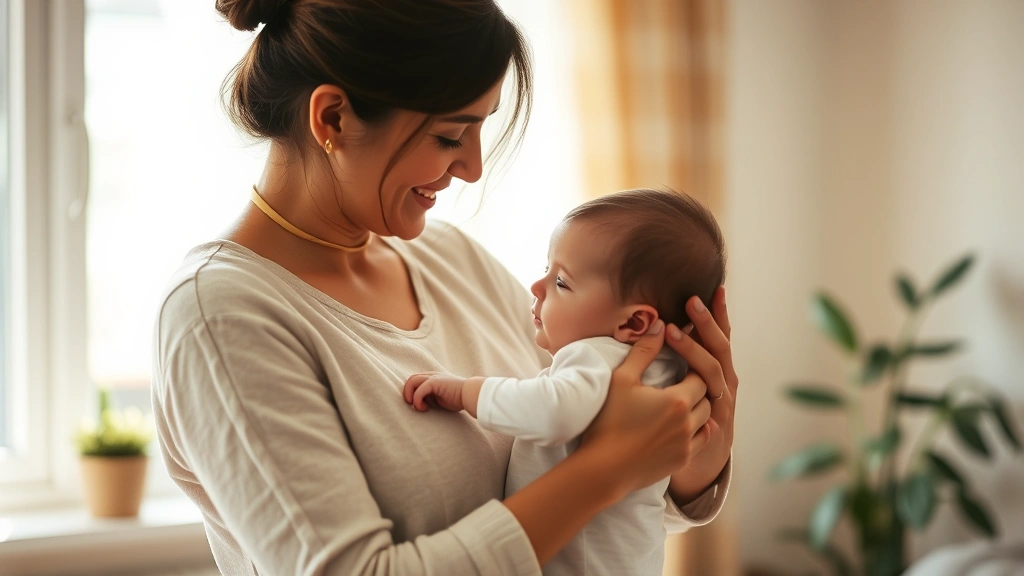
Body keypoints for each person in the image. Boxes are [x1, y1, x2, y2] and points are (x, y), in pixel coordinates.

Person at [151, 1, 739, 574]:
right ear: (332, 119)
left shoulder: (450, 257)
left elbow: (600, 515)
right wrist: (606, 471)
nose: (473, 167)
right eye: (450, 137)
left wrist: (693, 449)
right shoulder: (223, 315)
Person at [402, 188, 727, 576]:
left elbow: (553, 410)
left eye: (562, 282)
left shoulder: (595, 355)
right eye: (546, 269)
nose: (537, 287)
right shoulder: (667, 370)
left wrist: (467, 391)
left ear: (632, 323)